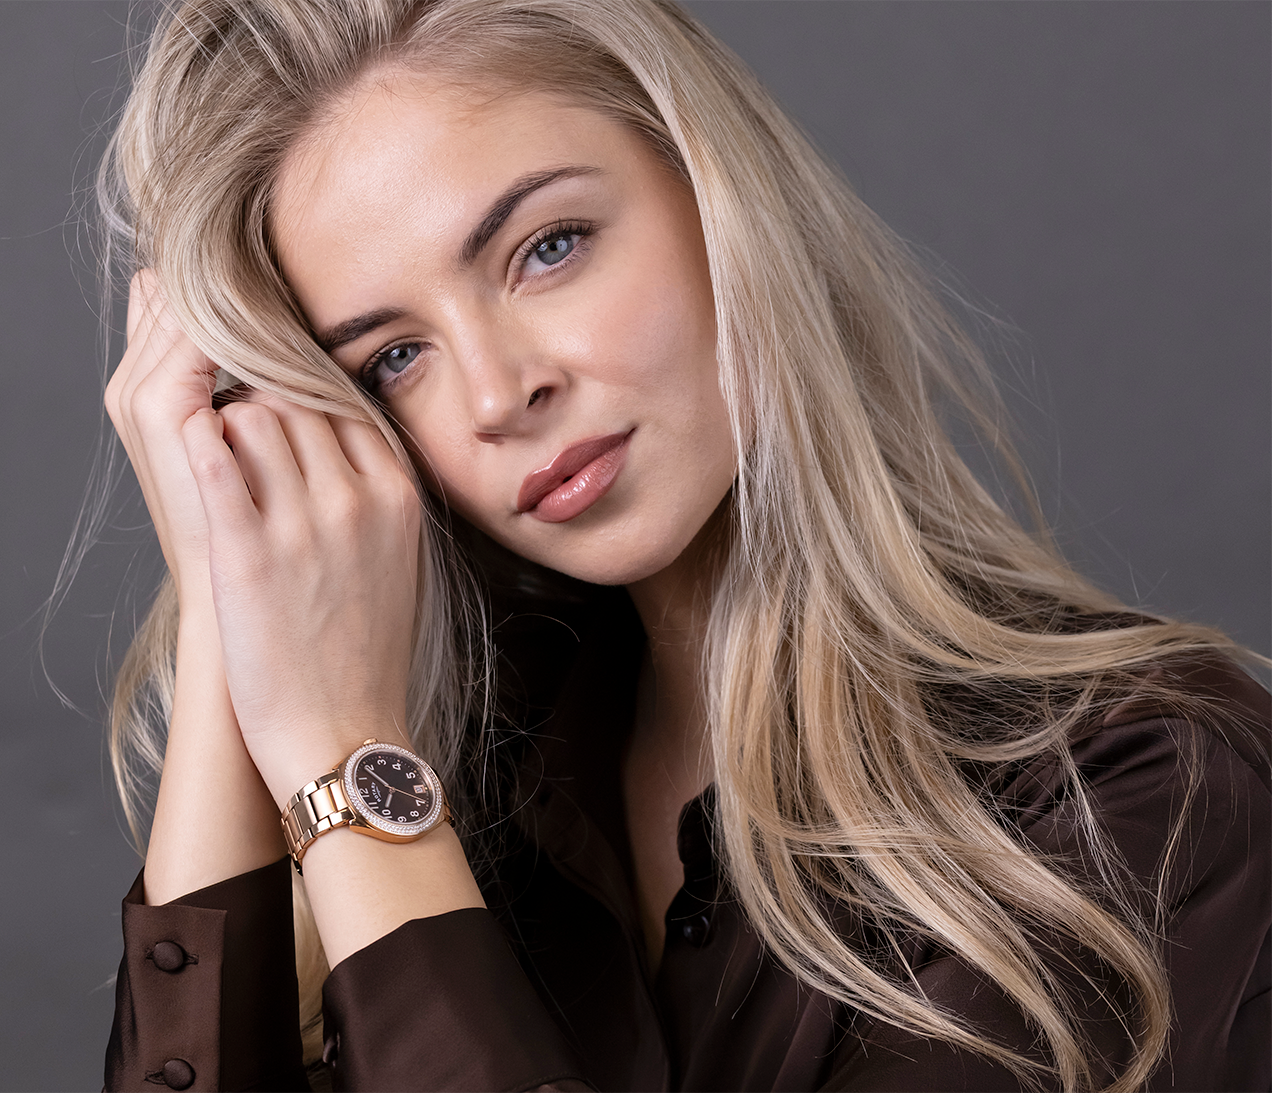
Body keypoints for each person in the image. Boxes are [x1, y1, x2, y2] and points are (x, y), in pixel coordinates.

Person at [94, 0, 1272, 1090]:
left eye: (547, 247)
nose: (500, 393)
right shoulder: (479, 827)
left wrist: (351, 768)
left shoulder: (1143, 800)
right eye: (391, 358)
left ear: (719, 201)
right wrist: (227, 598)